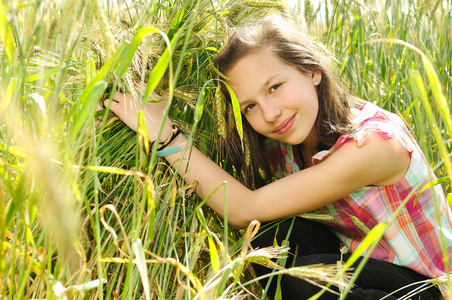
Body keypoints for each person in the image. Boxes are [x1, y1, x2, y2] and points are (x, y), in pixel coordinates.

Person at [103, 15, 451, 299]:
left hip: (427, 287)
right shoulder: (280, 142)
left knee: (304, 282)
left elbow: (242, 209)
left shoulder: (372, 145)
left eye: (275, 87)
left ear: (312, 71)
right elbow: (246, 207)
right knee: (270, 232)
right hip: (365, 267)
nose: (269, 113)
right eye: (250, 106)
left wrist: (165, 135)